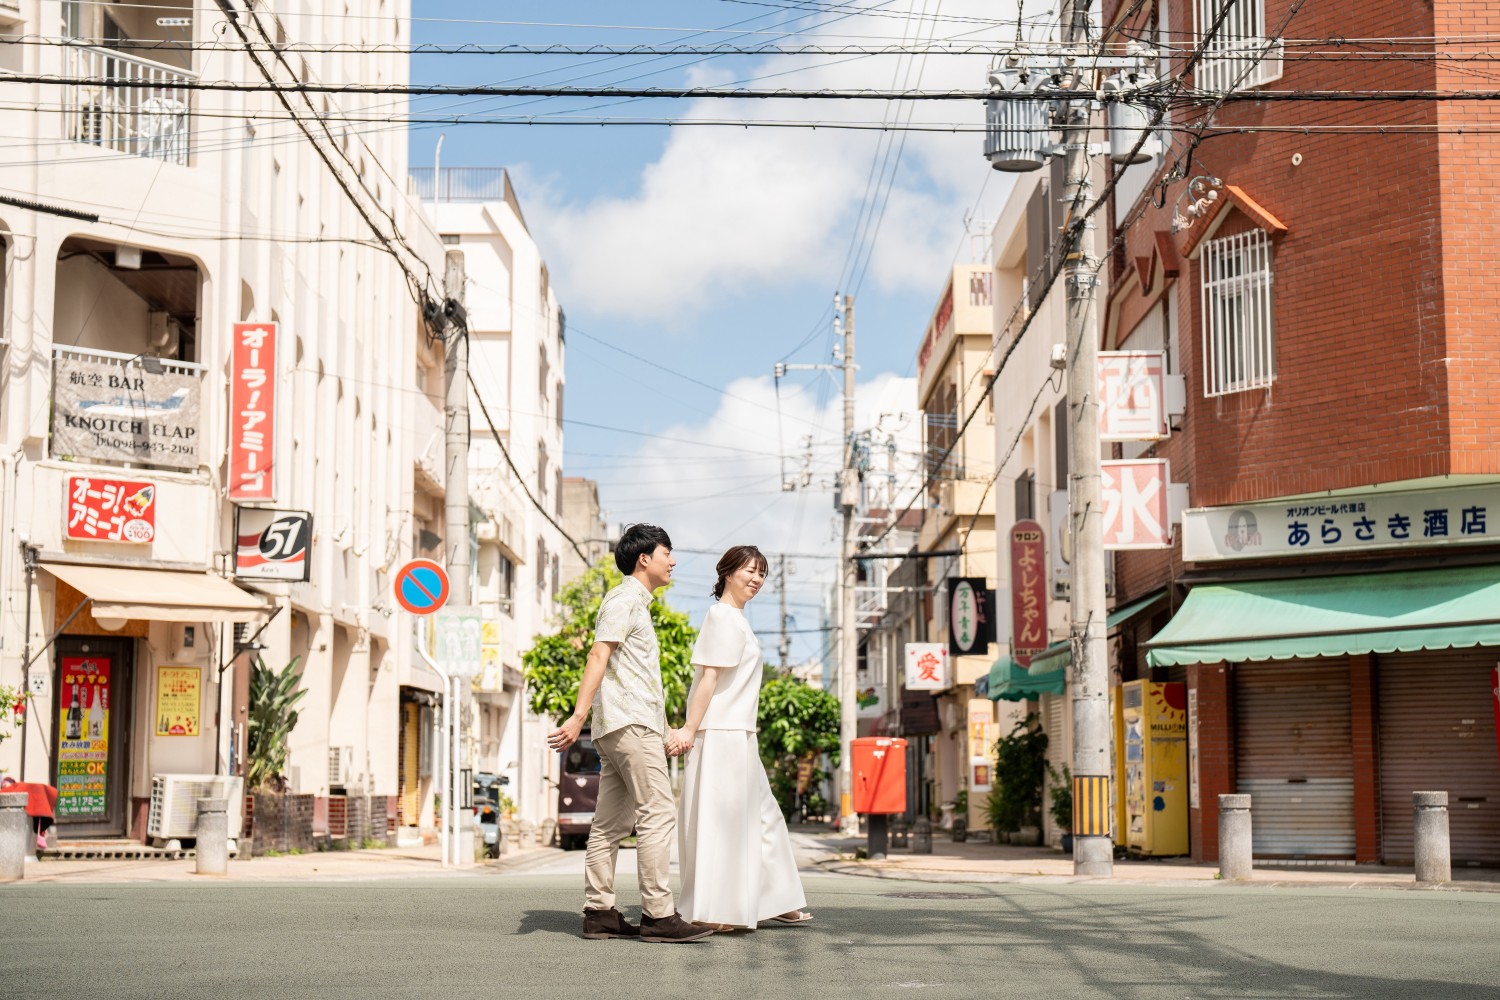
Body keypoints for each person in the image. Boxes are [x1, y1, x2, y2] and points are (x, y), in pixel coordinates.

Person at [546, 523, 712, 944]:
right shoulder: (623, 599)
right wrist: (578, 716)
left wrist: (660, 725)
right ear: (644, 558)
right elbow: (598, 653)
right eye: (667, 553)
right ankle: (658, 915)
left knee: (609, 823)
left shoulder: (635, 603)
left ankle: (599, 912)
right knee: (658, 813)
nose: (673, 561)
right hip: (630, 725)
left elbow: (628, 671)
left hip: (623, 725)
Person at [667, 544, 812, 931]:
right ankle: (718, 910)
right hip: (720, 735)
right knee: (724, 822)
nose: (757, 579)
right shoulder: (720, 616)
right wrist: (689, 729)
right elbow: (709, 678)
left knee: (764, 818)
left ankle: (774, 899)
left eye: (762, 573)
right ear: (727, 573)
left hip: (739, 734)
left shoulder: (737, 619)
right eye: (750, 570)